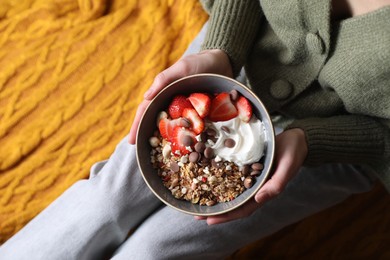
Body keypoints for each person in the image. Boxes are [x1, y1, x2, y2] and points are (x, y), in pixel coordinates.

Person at [1, 0, 389, 259]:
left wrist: (312, 142)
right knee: (105, 200)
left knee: (154, 250)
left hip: (345, 141)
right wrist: (221, 49)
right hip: (239, 54)